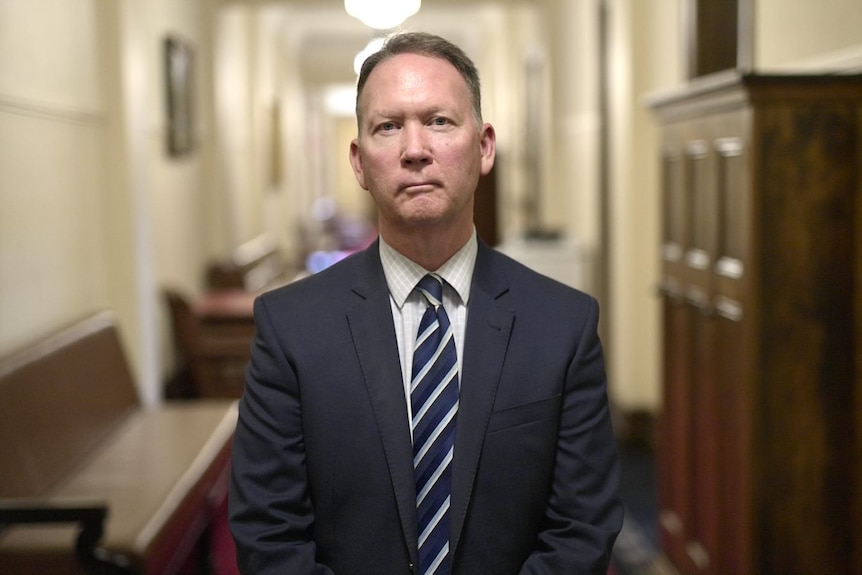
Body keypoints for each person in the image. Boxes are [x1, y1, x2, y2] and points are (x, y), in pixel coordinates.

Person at [229, 31, 623, 575]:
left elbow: (582, 529)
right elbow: (269, 534)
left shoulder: (564, 326)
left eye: (439, 121)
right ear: (360, 162)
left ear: (484, 147)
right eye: (388, 127)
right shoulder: (290, 329)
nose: (415, 149)